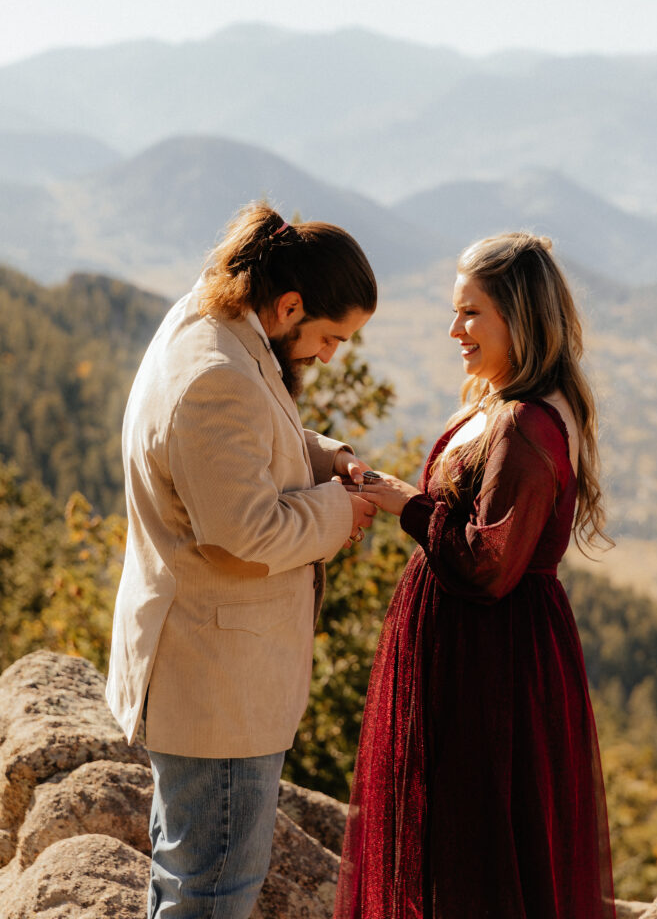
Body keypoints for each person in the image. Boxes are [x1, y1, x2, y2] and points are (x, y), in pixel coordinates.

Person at [105, 200, 378, 919]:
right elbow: (245, 529)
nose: (329, 355)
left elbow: (247, 444)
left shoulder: (215, 323)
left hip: (207, 673)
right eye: (329, 336)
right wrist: (341, 512)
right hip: (218, 685)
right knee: (213, 892)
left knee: (185, 877)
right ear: (289, 305)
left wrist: (328, 458)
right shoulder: (214, 374)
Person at [333, 232, 617, 919]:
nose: (454, 329)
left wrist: (406, 503)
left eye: (471, 313)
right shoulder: (509, 403)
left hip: (488, 671)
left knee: (473, 861)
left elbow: (489, 564)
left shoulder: (524, 424)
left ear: (518, 318)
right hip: (476, 661)